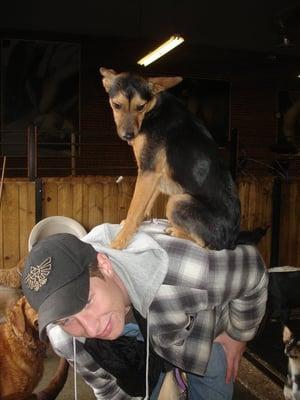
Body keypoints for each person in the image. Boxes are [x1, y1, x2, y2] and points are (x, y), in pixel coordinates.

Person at [21, 219, 268, 400]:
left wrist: (239, 333)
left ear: (104, 265)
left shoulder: (185, 272)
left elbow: (253, 272)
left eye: (86, 301)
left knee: (212, 371)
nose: (91, 328)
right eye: (67, 319)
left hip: (197, 328)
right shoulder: (66, 337)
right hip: (133, 342)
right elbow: (107, 389)